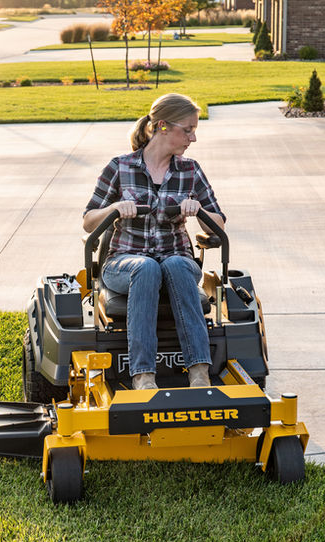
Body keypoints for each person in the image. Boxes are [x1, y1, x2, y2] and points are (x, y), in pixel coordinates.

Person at [82, 93, 226, 390]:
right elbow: (88, 220)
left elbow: (219, 224)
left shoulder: (190, 170)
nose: (193, 138)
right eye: (187, 130)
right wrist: (113, 208)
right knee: (146, 267)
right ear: (162, 126)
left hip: (176, 259)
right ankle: (143, 376)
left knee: (174, 264)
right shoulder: (120, 167)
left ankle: (199, 373)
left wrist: (199, 211)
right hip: (124, 262)